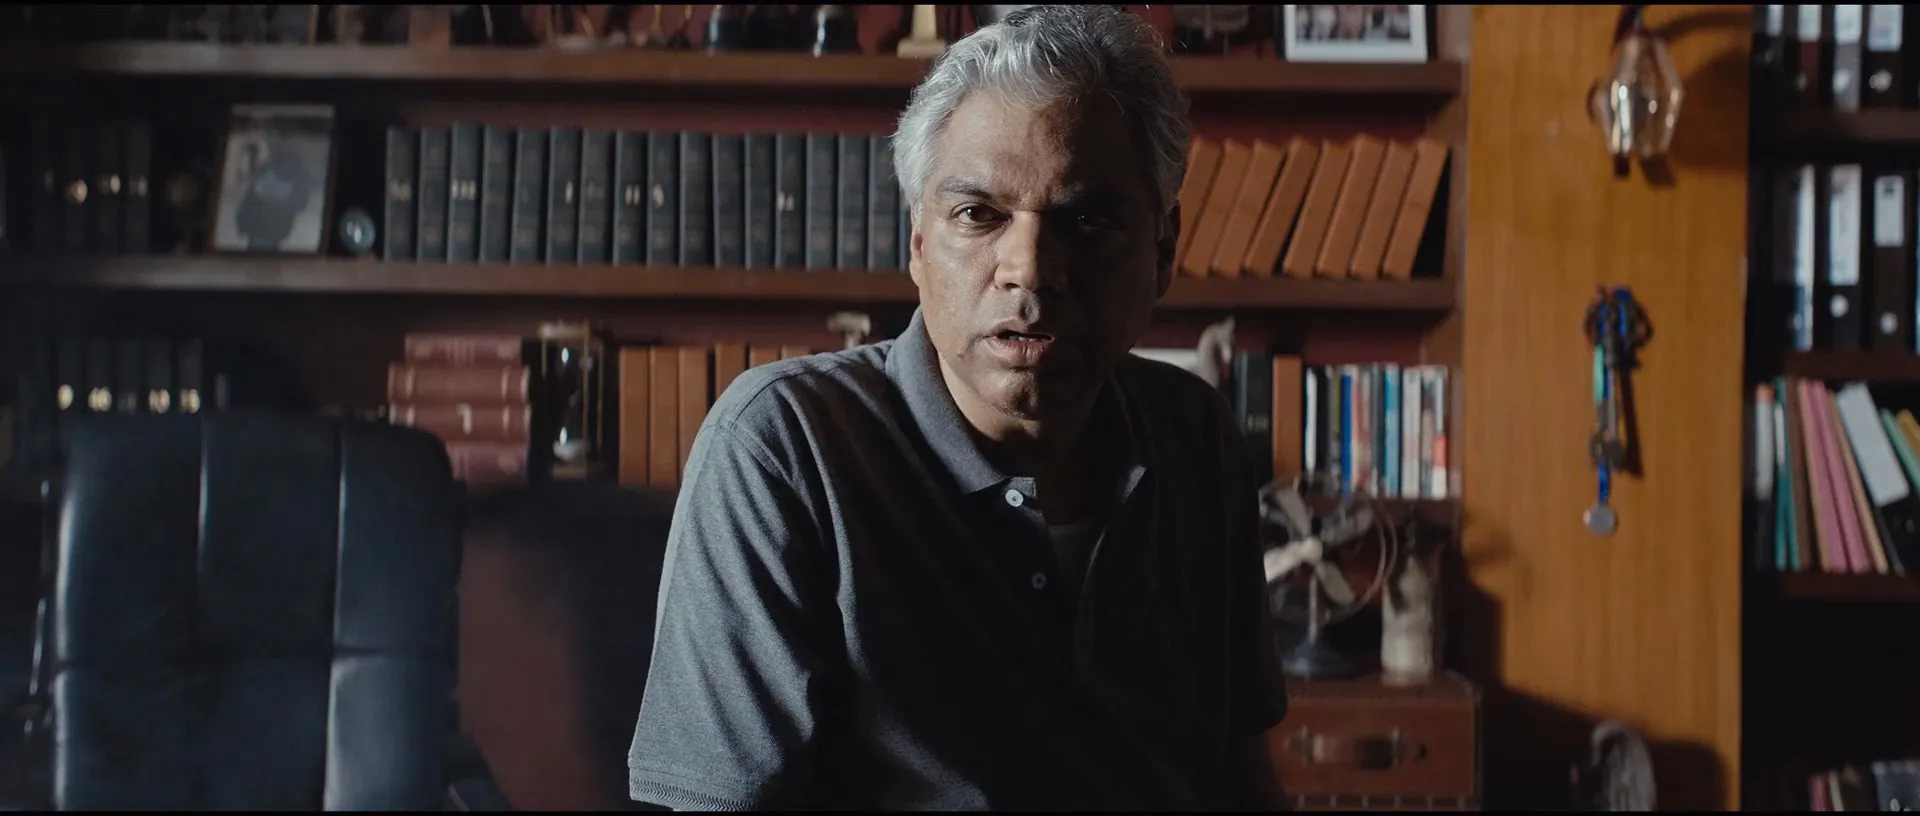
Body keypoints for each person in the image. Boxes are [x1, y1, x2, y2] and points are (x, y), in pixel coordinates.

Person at [627, 5, 1288, 810]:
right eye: (979, 215)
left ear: (1163, 251)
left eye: (1087, 220)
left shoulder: (1195, 436)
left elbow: (1243, 781)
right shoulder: (785, 449)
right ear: (917, 243)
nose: (1029, 269)